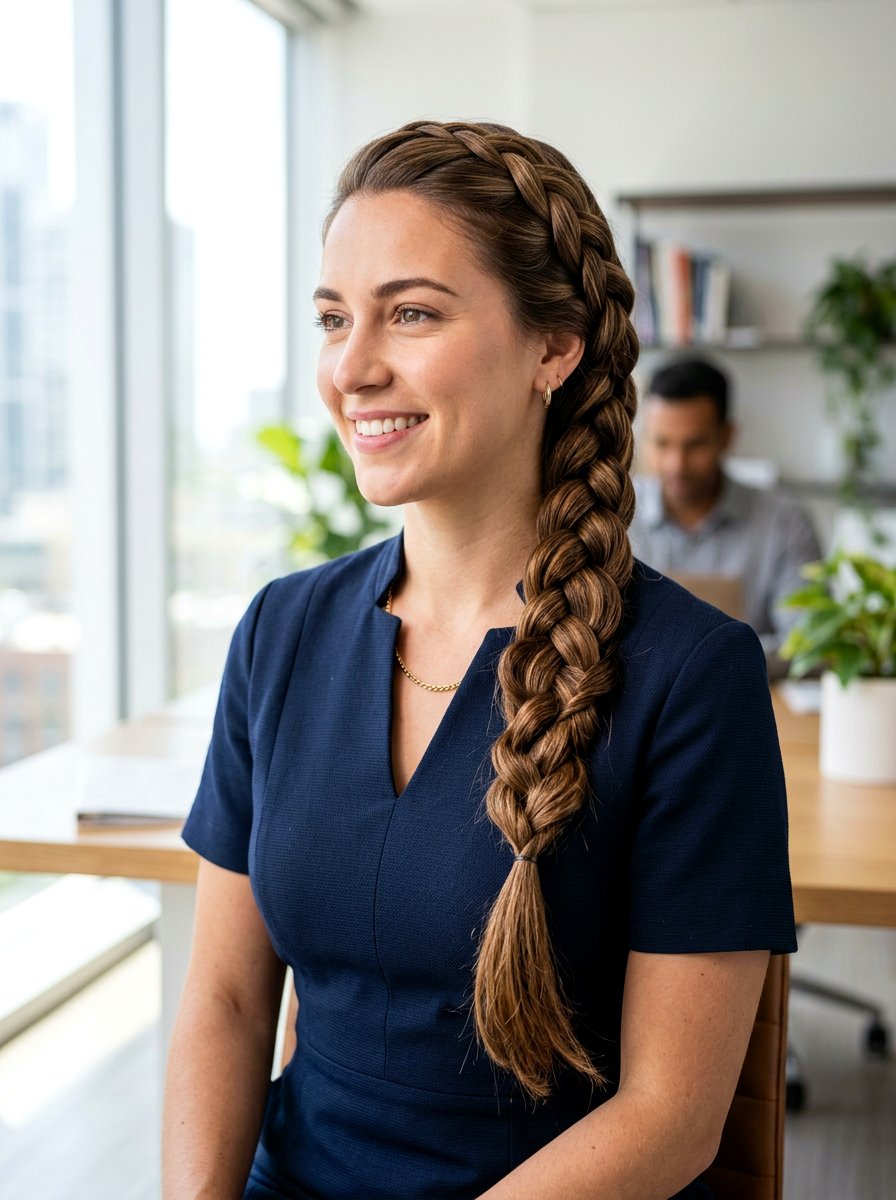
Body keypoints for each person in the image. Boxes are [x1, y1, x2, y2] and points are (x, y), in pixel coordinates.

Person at [162, 121, 796, 1200]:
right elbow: (224, 1002)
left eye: (410, 313)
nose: (352, 369)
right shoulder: (281, 631)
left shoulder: (690, 674)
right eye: (333, 318)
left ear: (554, 348)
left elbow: (671, 1118)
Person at [628, 357, 822, 680]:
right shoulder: (617, 516)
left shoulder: (784, 523)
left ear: (727, 436)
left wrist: (700, 664)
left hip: (749, 699)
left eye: (695, 445)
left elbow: (810, 641)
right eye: (662, 443)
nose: (677, 465)